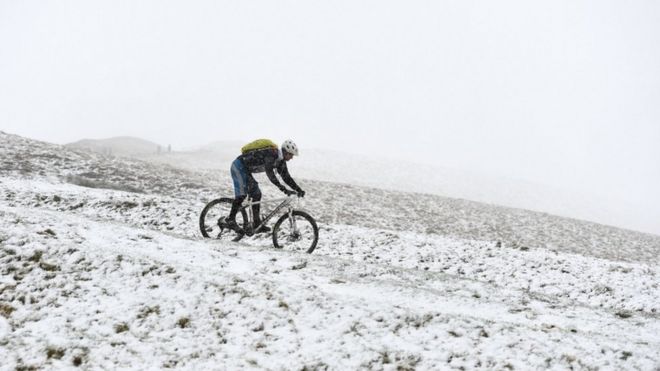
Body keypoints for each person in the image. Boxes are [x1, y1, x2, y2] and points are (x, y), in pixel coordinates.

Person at [225, 139, 305, 233]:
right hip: (238, 166)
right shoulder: (272, 154)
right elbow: (270, 173)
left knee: (257, 193)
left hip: (245, 170)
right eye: (291, 155)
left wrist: (299, 190)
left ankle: (256, 223)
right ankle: (230, 219)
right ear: (285, 152)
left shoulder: (280, 162)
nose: (291, 158)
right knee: (242, 194)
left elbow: (286, 178)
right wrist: (283, 189)